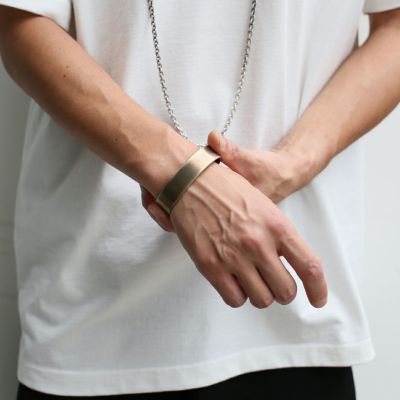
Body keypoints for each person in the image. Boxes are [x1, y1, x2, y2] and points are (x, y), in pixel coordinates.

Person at [0, 1, 399, 399]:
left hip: (296, 316)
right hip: (98, 317)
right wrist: (183, 177)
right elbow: (17, 20)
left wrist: (293, 163)